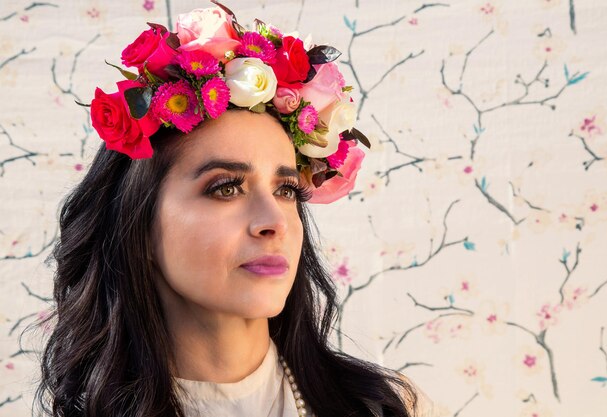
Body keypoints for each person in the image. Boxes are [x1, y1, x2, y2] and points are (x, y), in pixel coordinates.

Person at [34, 3, 438, 416]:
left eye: (285, 191)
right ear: (139, 224)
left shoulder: (388, 407)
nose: (273, 222)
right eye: (226, 188)